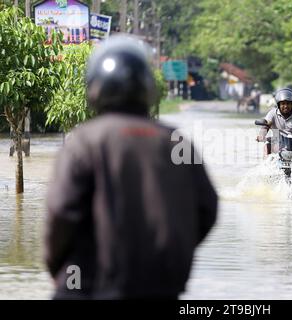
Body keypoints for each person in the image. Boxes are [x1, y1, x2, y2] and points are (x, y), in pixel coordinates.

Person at [44, 35, 218, 300]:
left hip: (88, 286)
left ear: (95, 88)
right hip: (161, 287)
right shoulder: (177, 141)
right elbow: (207, 209)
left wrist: (59, 268)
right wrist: (168, 254)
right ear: (147, 89)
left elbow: (61, 211)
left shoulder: (84, 140)